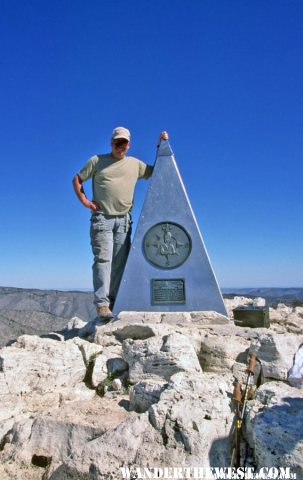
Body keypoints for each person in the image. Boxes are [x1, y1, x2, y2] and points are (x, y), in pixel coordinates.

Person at [72, 127, 169, 320]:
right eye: (117, 142)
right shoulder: (97, 161)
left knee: (120, 263)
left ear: (129, 145)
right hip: (103, 219)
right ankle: (102, 304)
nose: (120, 146)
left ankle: (114, 303)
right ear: (111, 142)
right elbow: (77, 179)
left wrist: (160, 145)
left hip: (124, 220)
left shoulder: (135, 164)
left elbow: (158, 169)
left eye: (124, 143)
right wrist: (85, 202)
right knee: (103, 260)